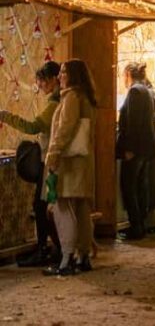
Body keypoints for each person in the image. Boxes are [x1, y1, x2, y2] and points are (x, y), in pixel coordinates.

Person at [0, 61, 62, 266]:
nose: (40, 85)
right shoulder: (62, 100)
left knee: (43, 204)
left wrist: (6, 117)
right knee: (45, 204)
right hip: (55, 160)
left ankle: (47, 249)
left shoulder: (55, 104)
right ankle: (53, 248)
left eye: (43, 81)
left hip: (51, 162)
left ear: (54, 80)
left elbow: (33, 126)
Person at [44, 59, 96, 276]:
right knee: (82, 209)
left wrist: (53, 153)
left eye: (64, 72)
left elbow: (64, 128)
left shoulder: (71, 98)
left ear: (73, 75)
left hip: (69, 162)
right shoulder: (85, 97)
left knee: (63, 208)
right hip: (82, 162)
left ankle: (66, 258)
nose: (60, 76)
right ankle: (83, 255)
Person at [116, 62, 155, 241]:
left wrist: (129, 148)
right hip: (146, 148)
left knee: (129, 187)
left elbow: (133, 123)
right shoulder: (147, 91)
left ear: (128, 75)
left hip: (135, 149)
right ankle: (140, 224)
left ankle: (136, 226)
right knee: (140, 186)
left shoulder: (135, 92)